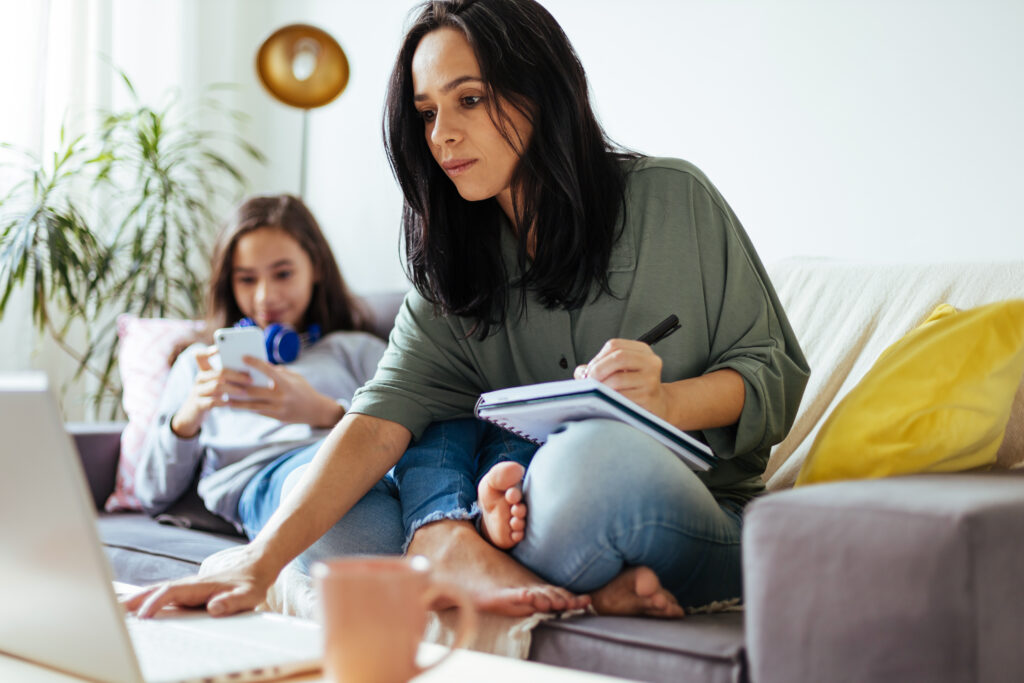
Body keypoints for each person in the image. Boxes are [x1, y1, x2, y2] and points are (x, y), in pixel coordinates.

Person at [126, 0, 808, 620]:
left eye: (470, 99)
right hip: (522, 507)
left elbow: (774, 377)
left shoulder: (673, 199)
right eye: (426, 113)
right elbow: (380, 417)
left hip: (686, 501)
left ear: (540, 91)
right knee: (335, 519)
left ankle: (469, 549)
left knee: (589, 462)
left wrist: (663, 402)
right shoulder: (452, 267)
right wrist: (260, 558)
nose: (442, 135)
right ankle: (517, 566)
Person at [133, 194, 403, 565]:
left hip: (372, 459)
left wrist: (327, 413)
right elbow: (152, 494)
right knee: (340, 515)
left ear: (317, 268)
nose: (265, 296)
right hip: (274, 481)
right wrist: (187, 419)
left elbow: (411, 427)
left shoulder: (354, 349)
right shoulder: (199, 364)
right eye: (247, 279)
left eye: (283, 274)